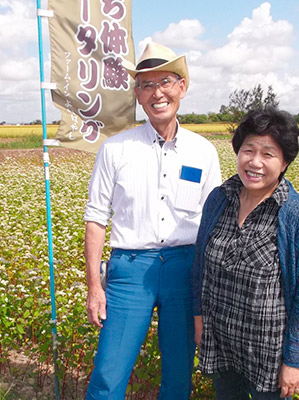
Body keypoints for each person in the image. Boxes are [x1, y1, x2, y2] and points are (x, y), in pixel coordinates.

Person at [84, 41, 222, 399]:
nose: (156, 92)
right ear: (137, 94)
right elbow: (96, 217)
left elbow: (212, 225)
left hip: (184, 268)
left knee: (178, 375)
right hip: (129, 269)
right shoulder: (116, 149)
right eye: (146, 84)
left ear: (182, 87)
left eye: (165, 82)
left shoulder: (203, 151)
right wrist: (95, 286)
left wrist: (208, 290)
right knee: (108, 373)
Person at [191, 107, 299, 399]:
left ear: (285, 162)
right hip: (223, 343)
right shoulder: (219, 199)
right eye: (248, 150)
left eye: (268, 154)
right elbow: (200, 267)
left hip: (270, 355)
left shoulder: (297, 217)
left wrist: (295, 361)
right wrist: (199, 319)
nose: (255, 162)